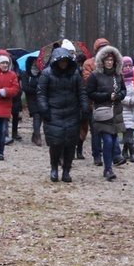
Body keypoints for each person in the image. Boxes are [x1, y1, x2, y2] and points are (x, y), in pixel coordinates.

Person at [37, 47, 89, 182]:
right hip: (53, 112)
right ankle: (54, 168)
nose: (63, 64)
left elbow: (81, 92)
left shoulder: (75, 74)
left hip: (72, 112)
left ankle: (66, 170)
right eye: (61, 61)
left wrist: (84, 108)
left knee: (71, 144)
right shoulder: (47, 74)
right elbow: (41, 93)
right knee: (56, 143)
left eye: (66, 61)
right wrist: (44, 109)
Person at [87, 45, 127, 181]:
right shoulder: (95, 75)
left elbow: (123, 91)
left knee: (114, 139)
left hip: (116, 112)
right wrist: (106, 96)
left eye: (112, 60)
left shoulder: (118, 76)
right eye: (107, 59)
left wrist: (118, 96)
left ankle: (110, 165)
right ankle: (108, 168)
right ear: (102, 61)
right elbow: (91, 93)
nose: (109, 62)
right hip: (102, 113)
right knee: (108, 141)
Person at [120, 56, 134, 162]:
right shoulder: (120, 80)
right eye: (125, 66)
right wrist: (128, 100)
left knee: (130, 132)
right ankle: (132, 152)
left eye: (130, 65)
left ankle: (124, 151)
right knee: (127, 131)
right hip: (124, 110)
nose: (128, 68)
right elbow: (119, 95)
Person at [21, 54, 43, 146]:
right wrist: (37, 90)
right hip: (32, 99)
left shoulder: (42, 73)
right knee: (36, 116)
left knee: (41, 116)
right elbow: (25, 87)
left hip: (41, 98)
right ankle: (37, 136)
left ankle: (35, 134)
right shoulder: (26, 74)